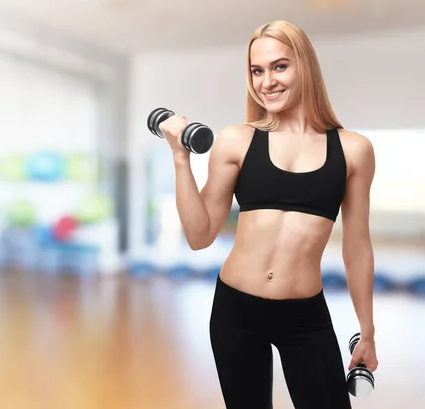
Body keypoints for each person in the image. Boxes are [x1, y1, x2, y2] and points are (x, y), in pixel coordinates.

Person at [158, 20, 378, 409]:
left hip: (304, 316)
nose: (266, 81)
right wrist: (180, 158)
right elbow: (199, 235)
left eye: (279, 66)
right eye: (256, 71)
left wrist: (368, 329)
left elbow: (357, 247)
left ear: (305, 66)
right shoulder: (237, 140)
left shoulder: (354, 150)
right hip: (235, 311)